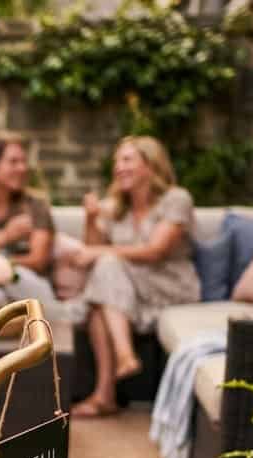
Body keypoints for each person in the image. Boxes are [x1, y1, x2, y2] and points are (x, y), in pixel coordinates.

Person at [67, 135, 199, 417]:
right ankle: (109, 387)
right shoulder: (117, 206)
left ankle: (113, 378)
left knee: (104, 272)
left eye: (127, 160)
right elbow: (93, 248)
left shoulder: (176, 199)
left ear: (150, 166)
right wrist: (91, 218)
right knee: (100, 294)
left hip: (169, 287)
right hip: (127, 293)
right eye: (116, 161)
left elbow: (156, 251)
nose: (118, 167)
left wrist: (100, 252)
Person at [0, 134, 82, 321]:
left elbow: (38, 261)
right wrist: (5, 236)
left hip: (30, 286)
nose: (22, 168)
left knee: (15, 277)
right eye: (13, 162)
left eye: (23, 161)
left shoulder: (35, 206)